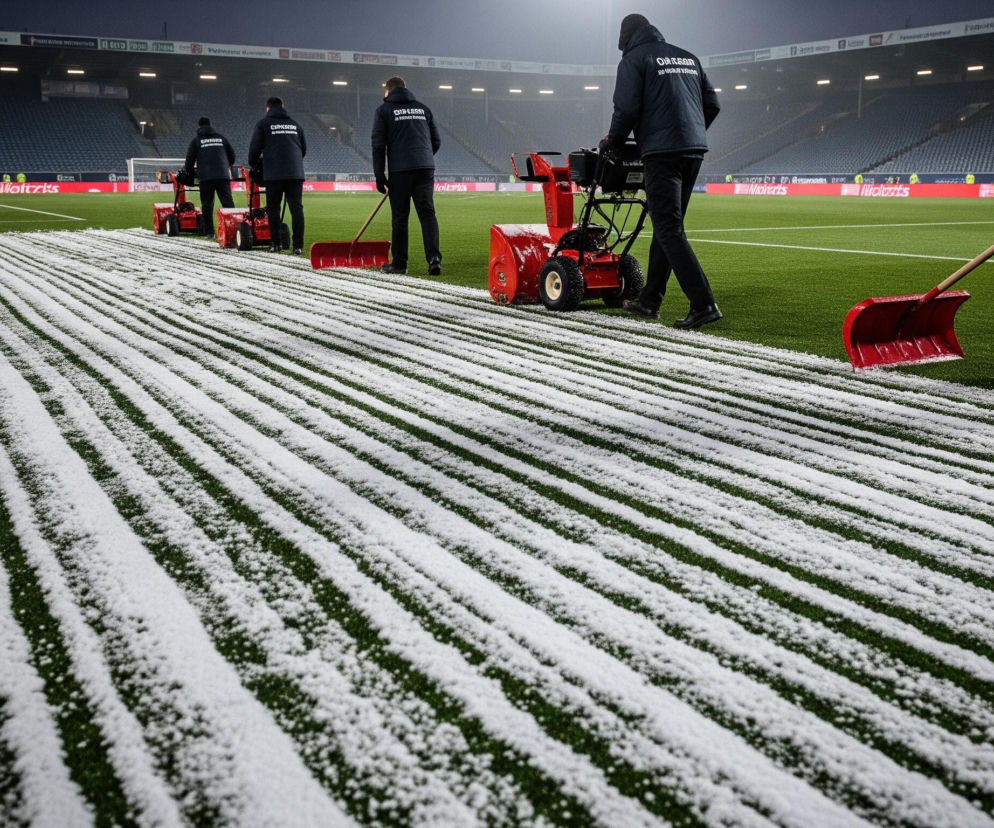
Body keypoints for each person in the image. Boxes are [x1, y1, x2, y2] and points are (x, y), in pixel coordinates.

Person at [601, 14, 722, 329]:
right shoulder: (688, 58)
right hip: (693, 151)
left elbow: (626, 108)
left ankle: (703, 303)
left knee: (668, 229)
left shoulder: (634, 59)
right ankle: (649, 299)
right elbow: (712, 104)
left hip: (661, 154)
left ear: (625, 38)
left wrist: (612, 143)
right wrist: (689, 132)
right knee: (668, 226)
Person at [371, 76, 442, 276]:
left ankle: (400, 263)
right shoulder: (423, 109)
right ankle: (434, 258)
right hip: (425, 167)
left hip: (400, 171)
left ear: (388, 91)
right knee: (427, 215)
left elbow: (378, 145)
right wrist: (422, 157)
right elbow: (435, 141)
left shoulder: (383, 111)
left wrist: (379, 174)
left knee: (400, 218)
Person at [248, 96, 307, 254]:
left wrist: (253, 164)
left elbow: (254, 149)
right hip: (295, 173)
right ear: (283, 106)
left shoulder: (263, 124)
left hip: (273, 173)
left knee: (273, 209)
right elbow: (304, 150)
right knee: (297, 209)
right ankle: (298, 246)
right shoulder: (295, 125)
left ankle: (276, 244)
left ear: (268, 108)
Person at [183, 116, 235, 237]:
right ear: (211, 125)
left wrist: (190, 176)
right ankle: (233, 227)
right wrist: (226, 165)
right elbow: (232, 155)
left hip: (206, 177)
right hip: (222, 176)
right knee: (227, 202)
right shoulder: (221, 138)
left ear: (199, 126)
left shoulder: (196, 141)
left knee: (207, 204)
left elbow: (189, 162)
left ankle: (209, 232)